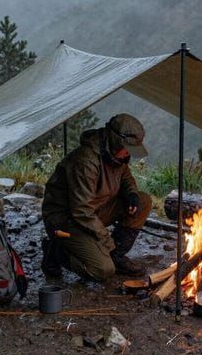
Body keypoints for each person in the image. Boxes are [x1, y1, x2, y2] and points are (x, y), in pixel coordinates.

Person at [41, 113, 153, 282]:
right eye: (127, 150)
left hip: (94, 209)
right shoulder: (85, 162)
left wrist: (131, 193)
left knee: (143, 201)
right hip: (66, 220)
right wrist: (107, 242)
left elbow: (125, 176)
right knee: (103, 269)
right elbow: (81, 211)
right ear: (116, 141)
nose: (127, 155)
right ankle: (56, 251)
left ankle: (116, 256)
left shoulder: (115, 155)